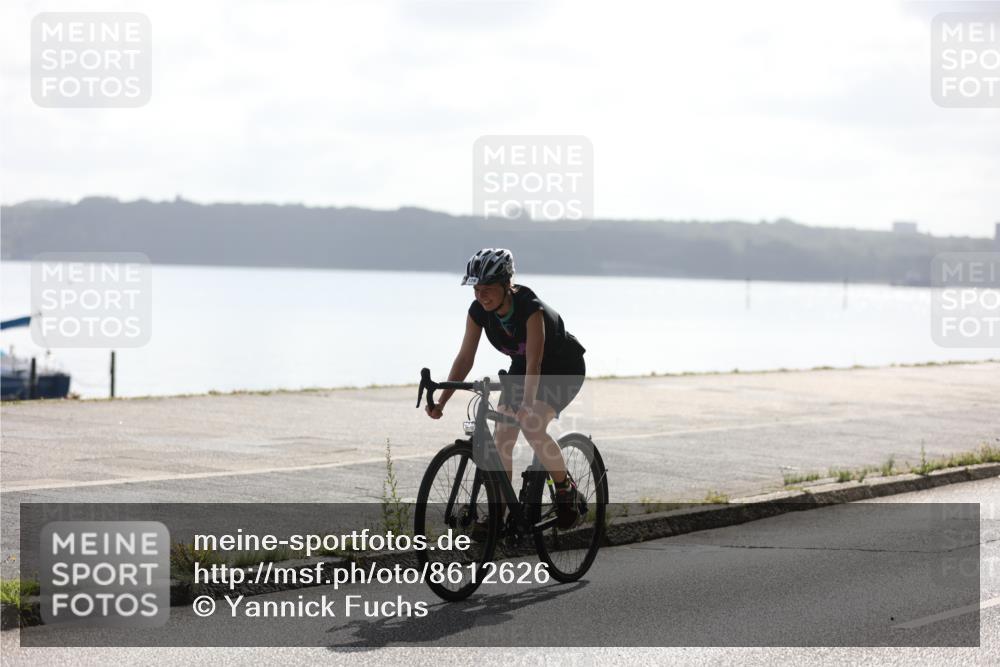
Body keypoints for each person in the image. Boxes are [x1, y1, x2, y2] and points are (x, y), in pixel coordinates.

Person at [425, 248, 587, 529]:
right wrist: (441, 400)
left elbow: (535, 363)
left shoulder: (529, 308)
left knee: (532, 426)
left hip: (561, 369)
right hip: (524, 368)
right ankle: (500, 516)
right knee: (502, 437)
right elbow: (465, 358)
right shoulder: (478, 312)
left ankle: (565, 489)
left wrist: (526, 405)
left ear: (506, 285)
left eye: (487, 288)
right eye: (476, 288)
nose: (480, 295)